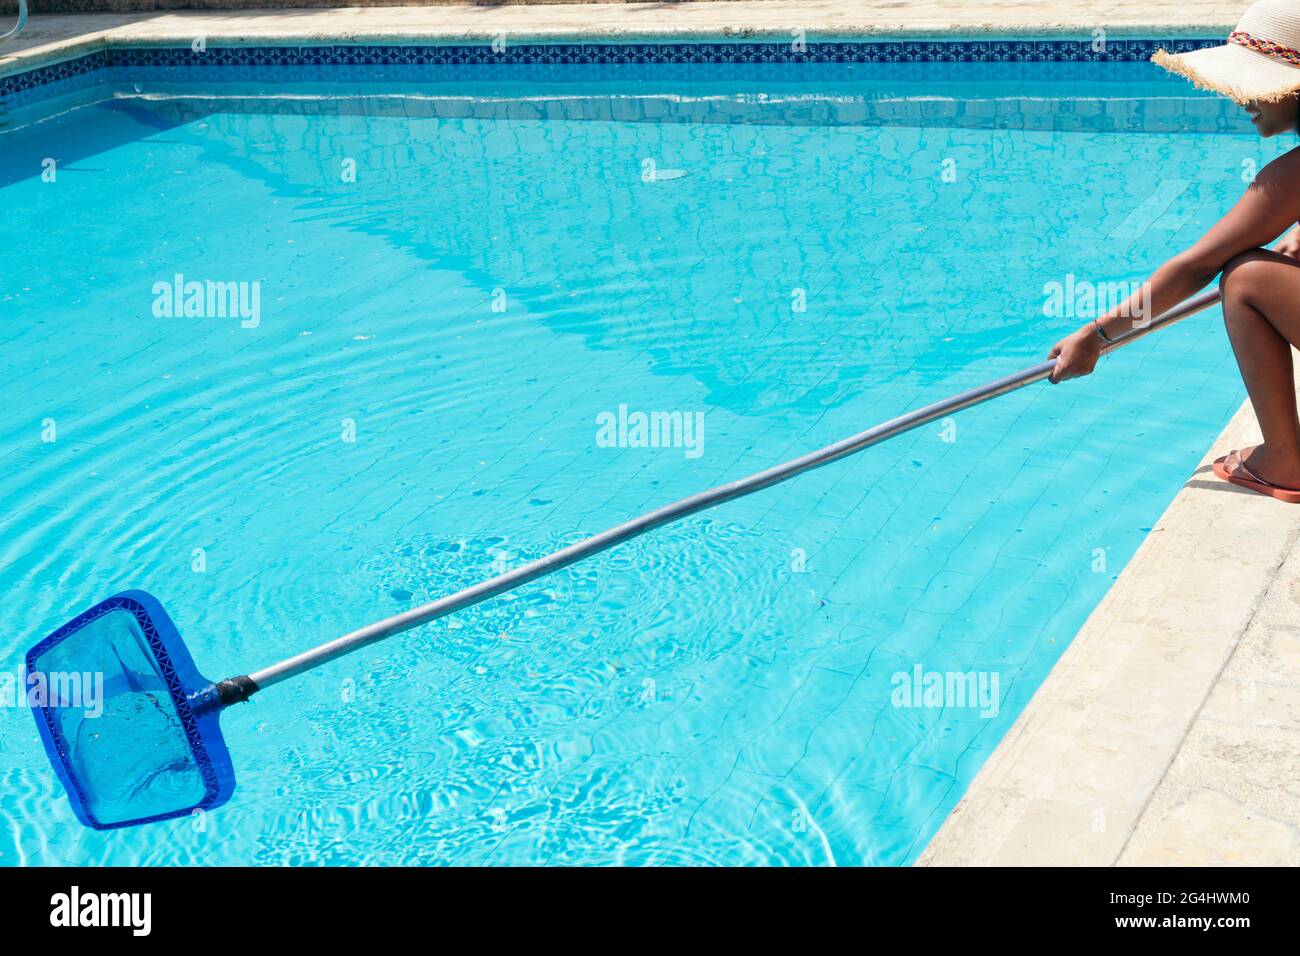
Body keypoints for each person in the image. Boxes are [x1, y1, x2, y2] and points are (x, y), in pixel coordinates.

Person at [1049, 0, 1300, 502]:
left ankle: (1285, 461)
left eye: (1254, 84)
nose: (1240, 98)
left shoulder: (1290, 176)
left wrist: (1099, 336)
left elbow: (1196, 267)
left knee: (1246, 275)